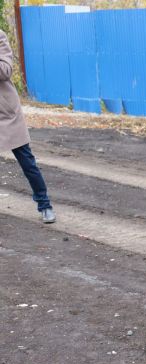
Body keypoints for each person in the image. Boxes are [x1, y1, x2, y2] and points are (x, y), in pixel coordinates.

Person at [0, 29, 55, 223]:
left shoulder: (0, 37)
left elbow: (5, 71)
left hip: (6, 114)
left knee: (27, 162)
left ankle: (45, 205)